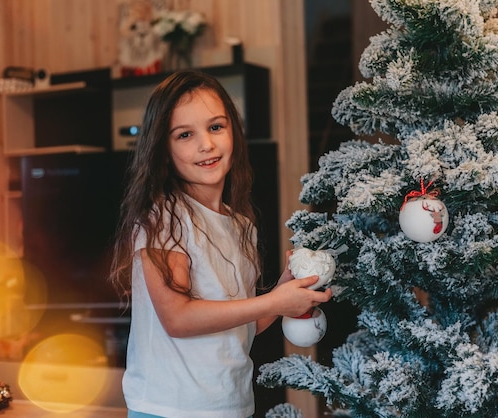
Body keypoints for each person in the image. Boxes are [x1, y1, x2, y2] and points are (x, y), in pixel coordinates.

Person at [109, 70, 332, 418]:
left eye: (216, 127)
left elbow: (244, 325)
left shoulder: (240, 224)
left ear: (234, 132)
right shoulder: (164, 218)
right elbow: (178, 318)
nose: (206, 145)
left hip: (230, 406)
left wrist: (281, 293)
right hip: (171, 409)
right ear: (163, 149)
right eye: (185, 134)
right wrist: (272, 301)